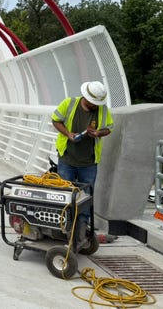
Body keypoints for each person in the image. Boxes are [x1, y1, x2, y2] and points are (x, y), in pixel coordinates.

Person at [51, 81, 114, 246]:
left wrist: (98, 133)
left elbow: (109, 128)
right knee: (66, 194)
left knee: (86, 196)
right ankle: (65, 227)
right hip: (67, 159)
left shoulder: (102, 110)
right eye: (93, 103)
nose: (96, 106)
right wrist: (68, 134)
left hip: (89, 162)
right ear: (86, 98)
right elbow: (55, 120)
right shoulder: (69, 104)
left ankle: (81, 231)